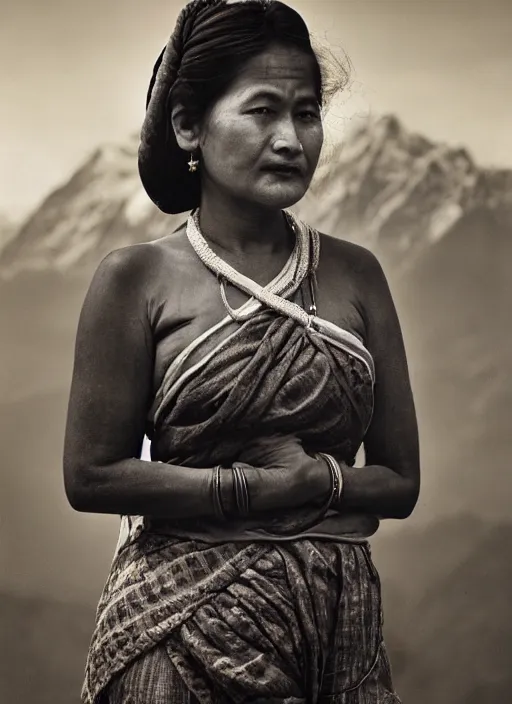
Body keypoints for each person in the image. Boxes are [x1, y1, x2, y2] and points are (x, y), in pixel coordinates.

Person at [63, 0, 420, 702]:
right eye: (262, 111)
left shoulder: (357, 275)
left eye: (307, 113)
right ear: (189, 125)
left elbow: (401, 482)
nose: (291, 138)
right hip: (176, 634)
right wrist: (253, 490)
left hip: (331, 633)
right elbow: (91, 476)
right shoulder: (135, 279)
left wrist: (316, 482)